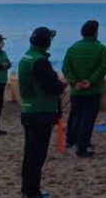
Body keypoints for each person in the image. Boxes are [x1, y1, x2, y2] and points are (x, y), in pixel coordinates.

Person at [19, 27, 67, 198]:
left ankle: (27, 190)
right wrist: (62, 85)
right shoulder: (40, 61)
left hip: (29, 111)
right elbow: (50, 87)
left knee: (30, 154)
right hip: (40, 113)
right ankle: (32, 192)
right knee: (37, 155)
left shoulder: (27, 56)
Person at [62, 20, 106, 157]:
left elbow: (66, 68)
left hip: (76, 91)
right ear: (96, 33)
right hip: (93, 90)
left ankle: (71, 140)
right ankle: (82, 146)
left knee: (75, 115)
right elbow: (104, 66)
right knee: (87, 119)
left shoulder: (72, 49)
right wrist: (91, 81)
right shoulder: (101, 49)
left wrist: (75, 83)